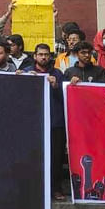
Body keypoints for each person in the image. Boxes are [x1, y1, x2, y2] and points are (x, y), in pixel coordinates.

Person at [25, 44, 66, 200]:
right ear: (35, 56)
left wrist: (55, 86)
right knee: (34, 156)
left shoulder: (58, 74)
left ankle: (56, 189)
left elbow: (65, 97)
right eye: (40, 54)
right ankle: (34, 188)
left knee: (56, 158)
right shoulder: (28, 73)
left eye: (46, 54)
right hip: (34, 123)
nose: (43, 57)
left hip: (55, 122)